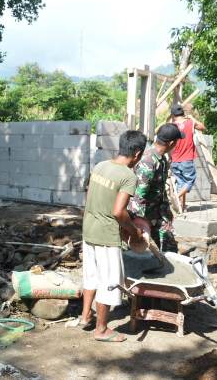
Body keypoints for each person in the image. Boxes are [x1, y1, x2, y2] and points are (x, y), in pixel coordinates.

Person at [77, 130, 147, 342]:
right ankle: (101, 329)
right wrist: (134, 232)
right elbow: (118, 212)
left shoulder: (101, 166)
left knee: (91, 276)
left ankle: (85, 316)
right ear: (137, 153)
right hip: (107, 235)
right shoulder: (128, 176)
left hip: (89, 229)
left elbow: (89, 196)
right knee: (108, 282)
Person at [128, 123, 185, 253]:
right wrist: (138, 225)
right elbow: (138, 195)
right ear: (171, 143)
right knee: (137, 251)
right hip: (142, 215)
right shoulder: (148, 161)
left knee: (170, 249)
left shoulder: (162, 159)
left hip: (158, 214)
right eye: (176, 142)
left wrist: (167, 212)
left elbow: (160, 189)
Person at [170, 104, 206, 212]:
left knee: (182, 183)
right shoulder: (190, 123)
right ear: (183, 113)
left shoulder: (172, 126)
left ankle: (182, 206)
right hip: (186, 159)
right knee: (190, 180)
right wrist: (192, 118)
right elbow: (203, 127)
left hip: (175, 160)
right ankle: (176, 198)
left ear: (173, 115)